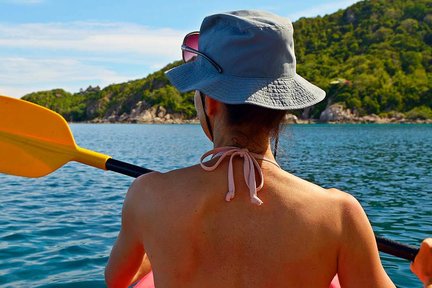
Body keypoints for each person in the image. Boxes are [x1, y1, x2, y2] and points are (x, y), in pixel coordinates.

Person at [105, 10, 432, 288]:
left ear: (213, 102)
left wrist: (158, 242)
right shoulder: (339, 214)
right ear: (284, 108)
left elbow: (118, 279)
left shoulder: (146, 195)